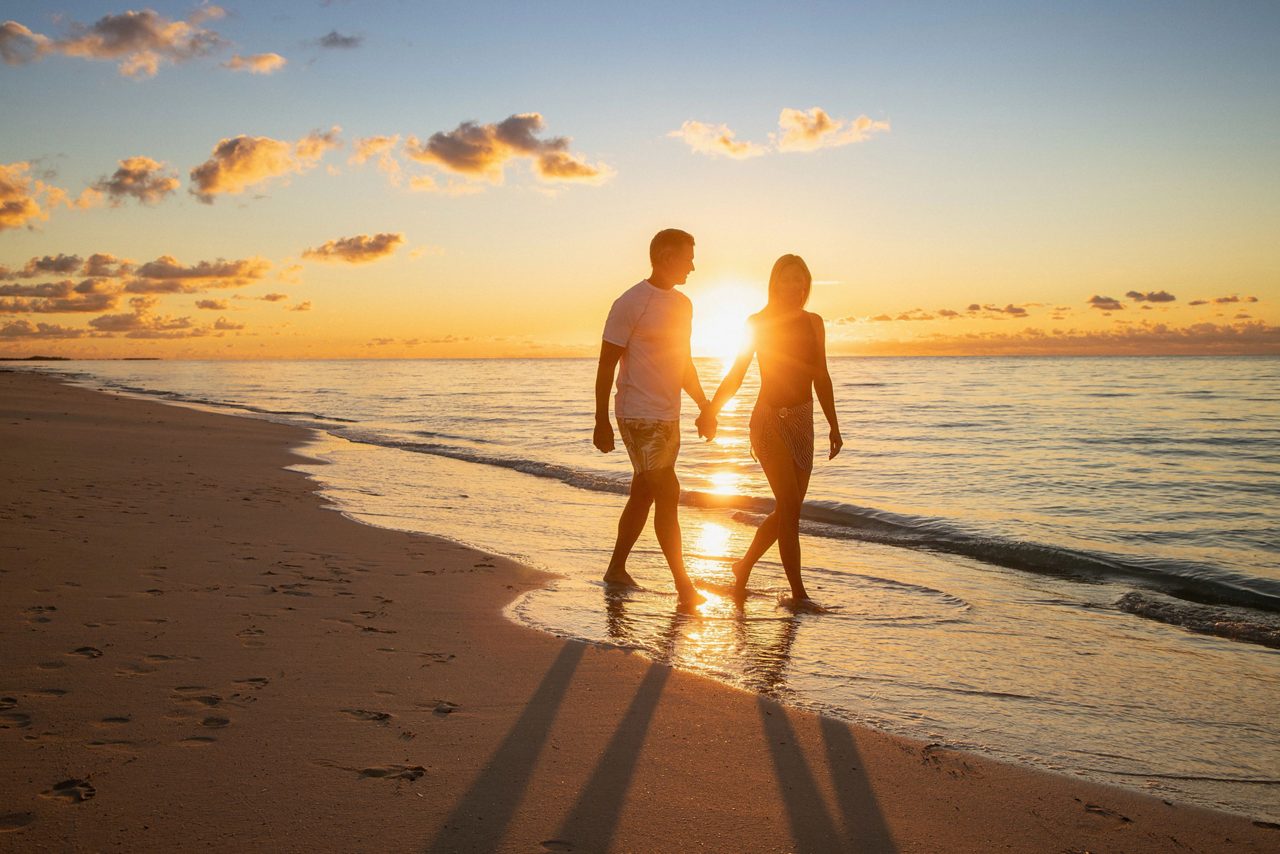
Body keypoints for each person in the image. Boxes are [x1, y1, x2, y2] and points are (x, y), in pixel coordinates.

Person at [696, 254, 842, 609]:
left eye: (801, 281)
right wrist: (711, 410)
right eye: (787, 279)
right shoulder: (758, 322)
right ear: (774, 283)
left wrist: (833, 424)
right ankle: (799, 594)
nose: (795, 287)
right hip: (769, 420)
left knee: (787, 510)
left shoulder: (814, 323)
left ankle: (742, 566)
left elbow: (820, 375)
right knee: (790, 507)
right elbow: (737, 373)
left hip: (803, 421)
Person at [593, 228, 713, 608]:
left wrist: (703, 404)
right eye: (687, 257)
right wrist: (601, 419)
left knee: (643, 492)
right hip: (637, 414)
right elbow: (606, 364)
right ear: (664, 255)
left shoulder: (684, 305)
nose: (693, 265)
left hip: (668, 415)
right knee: (668, 491)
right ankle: (685, 588)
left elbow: (683, 362)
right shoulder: (630, 302)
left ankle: (616, 569)